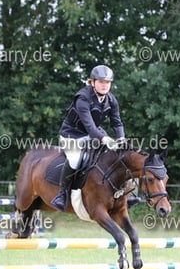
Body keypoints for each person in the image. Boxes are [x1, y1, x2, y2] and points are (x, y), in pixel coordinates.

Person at [50, 65, 127, 212]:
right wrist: (106, 139)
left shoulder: (111, 100)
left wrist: (121, 139)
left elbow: (117, 123)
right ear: (92, 82)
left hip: (93, 134)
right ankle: (62, 195)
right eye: (101, 82)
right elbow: (90, 127)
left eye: (107, 82)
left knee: (114, 156)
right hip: (72, 135)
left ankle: (122, 194)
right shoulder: (83, 98)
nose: (105, 85)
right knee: (75, 160)